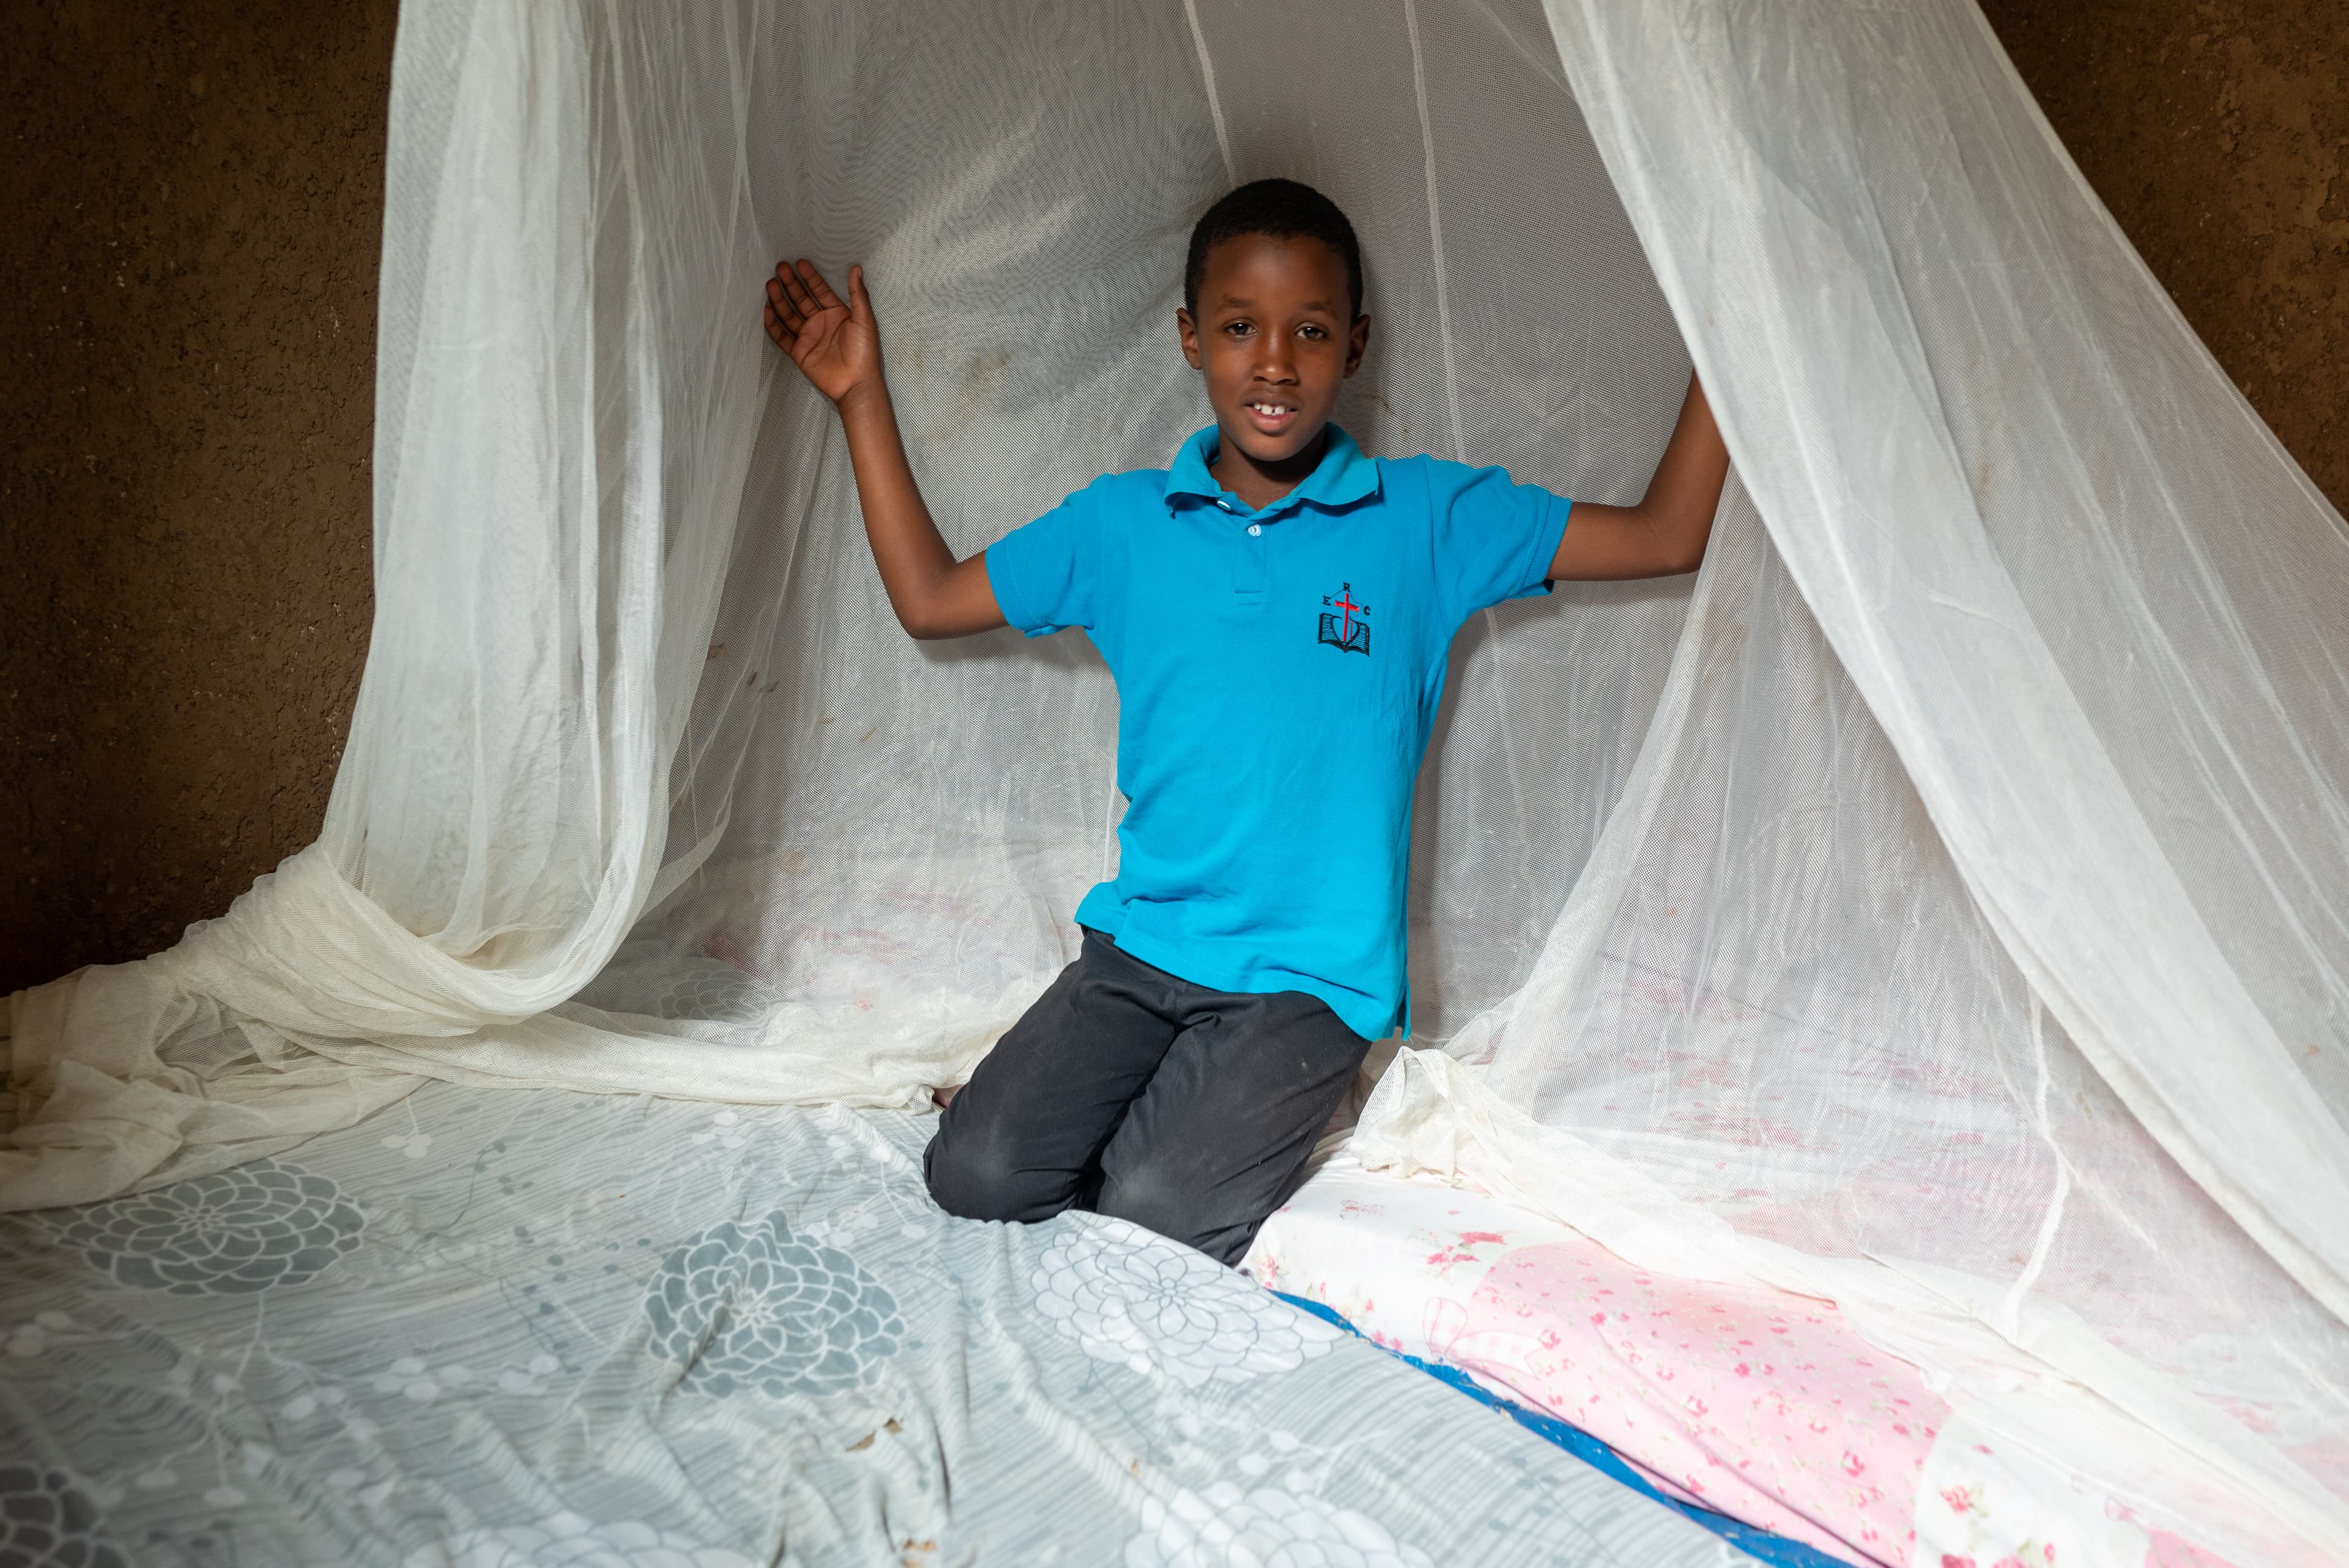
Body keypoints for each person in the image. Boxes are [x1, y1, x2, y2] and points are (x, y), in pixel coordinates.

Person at [762, 178, 1728, 1266]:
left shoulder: (1424, 518)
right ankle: (1109, 1101)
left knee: (1156, 1209)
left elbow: (1667, 531)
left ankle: (1221, 1116)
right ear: (1190, 339)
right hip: (1138, 952)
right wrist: (858, 397)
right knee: (975, 1176)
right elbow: (931, 600)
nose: (1275, 361)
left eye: (1310, 331)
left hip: (1308, 985)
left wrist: (1738, 322)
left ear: (1354, 346)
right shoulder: (1125, 524)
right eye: (1239, 328)